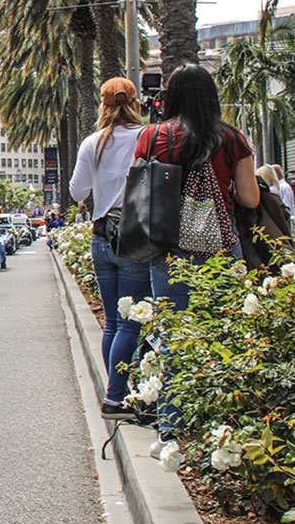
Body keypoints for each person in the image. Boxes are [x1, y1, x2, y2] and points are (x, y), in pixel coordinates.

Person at [140, 64, 260, 429]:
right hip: (221, 245)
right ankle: (217, 426)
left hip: (168, 247)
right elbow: (251, 199)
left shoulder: (154, 136)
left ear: (170, 96)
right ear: (212, 96)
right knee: (223, 333)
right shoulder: (233, 139)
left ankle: (172, 427)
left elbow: (140, 195)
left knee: (173, 336)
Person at [66, 77, 148, 420]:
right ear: (135, 102)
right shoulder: (147, 137)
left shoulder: (92, 143)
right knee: (131, 324)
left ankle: (117, 393)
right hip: (136, 234)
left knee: (113, 322)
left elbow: (76, 191)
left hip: (102, 234)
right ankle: (117, 397)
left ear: (103, 104)